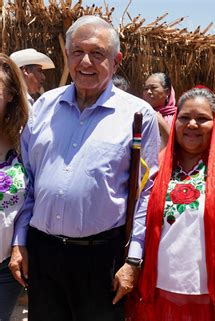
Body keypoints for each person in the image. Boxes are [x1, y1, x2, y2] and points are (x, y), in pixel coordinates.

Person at [9, 15, 160, 321]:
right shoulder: (43, 108)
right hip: (43, 253)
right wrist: (19, 241)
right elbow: (28, 182)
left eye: (97, 54)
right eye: (77, 52)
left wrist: (133, 260)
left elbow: (146, 193)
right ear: (67, 56)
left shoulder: (138, 115)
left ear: (116, 61)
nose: (86, 61)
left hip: (102, 258)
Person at [129, 87, 215, 321]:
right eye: (185, 118)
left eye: (202, 119)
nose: (192, 125)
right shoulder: (157, 167)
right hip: (160, 295)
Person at [0, 54, 29, 321]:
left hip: (5, 268)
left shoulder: (24, 141)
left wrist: (19, 245)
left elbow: (31, 200)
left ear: (10, 94)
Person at [142, 72, 173, 147]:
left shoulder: (178, 117)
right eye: (146, 89)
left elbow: (176, 146)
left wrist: (161, 123)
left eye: (153, 88)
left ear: (167, 92)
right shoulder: (140, 114)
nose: (148, 92)